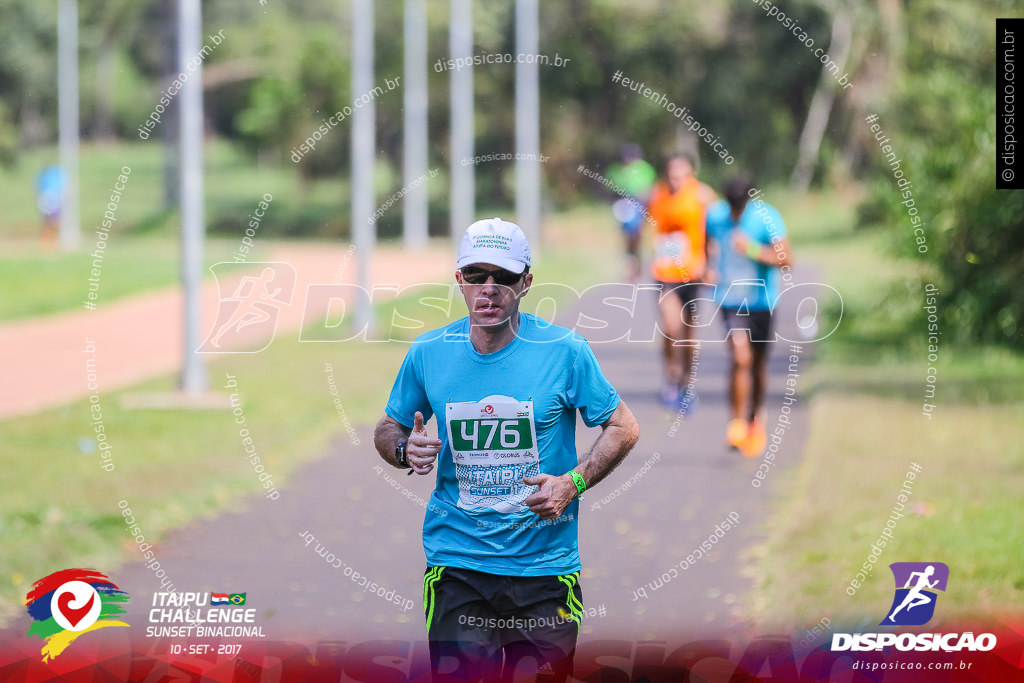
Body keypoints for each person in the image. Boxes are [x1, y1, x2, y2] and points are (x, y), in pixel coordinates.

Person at [373, 217, 640, 682]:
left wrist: (572, 483)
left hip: (544, 569)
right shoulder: (429, 351)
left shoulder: (564, 351)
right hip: (458, 564)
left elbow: (623, 426)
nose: (489, 289)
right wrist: (403, 450)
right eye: (477, 276)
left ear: (527, 283)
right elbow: (388, 428)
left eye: (504, 278)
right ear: (460, 281)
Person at [705, 177, 791, 457]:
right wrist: (709, 266)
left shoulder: (768, 218)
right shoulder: (716, 215)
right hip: (730, 299)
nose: (735, 213)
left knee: (758, 364)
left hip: (762, 301)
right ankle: (737, 422)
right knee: (740, 358)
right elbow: (708, 244)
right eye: (731, 207)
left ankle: (756, 417)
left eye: (739, 207)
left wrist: (751, 249)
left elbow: (786, 259)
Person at [646, 154, 715, 411]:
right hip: (665, 273)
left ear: (690, 175)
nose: (675, 179)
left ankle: (687, 383)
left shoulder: (703, 196)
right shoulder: (658, 194)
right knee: (671, 326)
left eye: (681, 174)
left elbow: (715, 230)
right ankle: (672, 377)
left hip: (693, 274)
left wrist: (711, 263)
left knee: (689, 334)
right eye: (671, 174)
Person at [607, 143, 657, 282]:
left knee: (638, 236)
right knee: (626, 237)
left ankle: (636, 263)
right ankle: (629, 265)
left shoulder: (646, 169)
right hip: (624, 206)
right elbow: (613, 188)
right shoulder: (618, 170)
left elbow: (650, 190)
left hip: (640, 207)